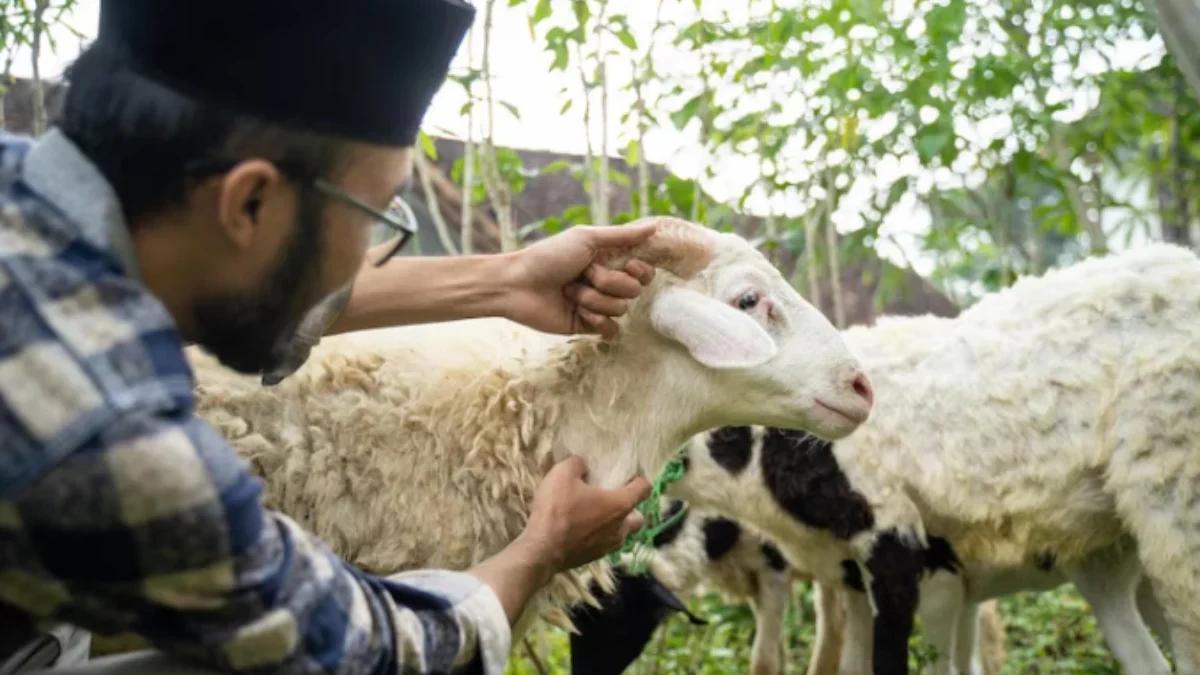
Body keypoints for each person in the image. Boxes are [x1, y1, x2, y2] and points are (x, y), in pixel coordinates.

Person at [0, 1, 657, 673]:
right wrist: (539, 548)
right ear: (249, 202)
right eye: (375, 216)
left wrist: (507, 279)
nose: (363, 254)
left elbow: (243, 290)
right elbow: (357, 646)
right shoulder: (101, 427)